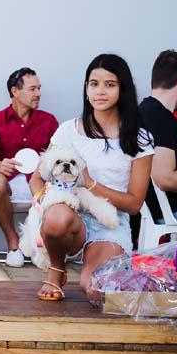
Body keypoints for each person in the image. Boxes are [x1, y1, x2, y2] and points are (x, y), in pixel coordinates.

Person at [31, 54, 153, 302]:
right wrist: (42, 198)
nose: (100, 91)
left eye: (110, 84)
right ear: (86, 88)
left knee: (96, 290)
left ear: (123, 89)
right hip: (70, 214)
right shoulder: (69, 130)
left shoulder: (140, 139)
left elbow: (134, 204)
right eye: (93, 83)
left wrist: (90, 184)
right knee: (56, 215)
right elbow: (37, 178)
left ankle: (102, 268)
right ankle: (56, 269)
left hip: (110, 223)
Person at [0, 67, 58, 267]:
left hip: (40, 182)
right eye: (33, 89)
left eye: (39, 88)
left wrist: (47, 164)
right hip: (10, 182)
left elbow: (58, 155)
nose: (38, 93)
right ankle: (13, 243)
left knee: (58, 190)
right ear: (15, 91)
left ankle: (38, 245)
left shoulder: (48, 120)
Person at [138, 50, 177, 227]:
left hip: (166, 207)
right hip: (176, 209)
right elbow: (164, 178)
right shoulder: (160, 118)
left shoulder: (144, 111)